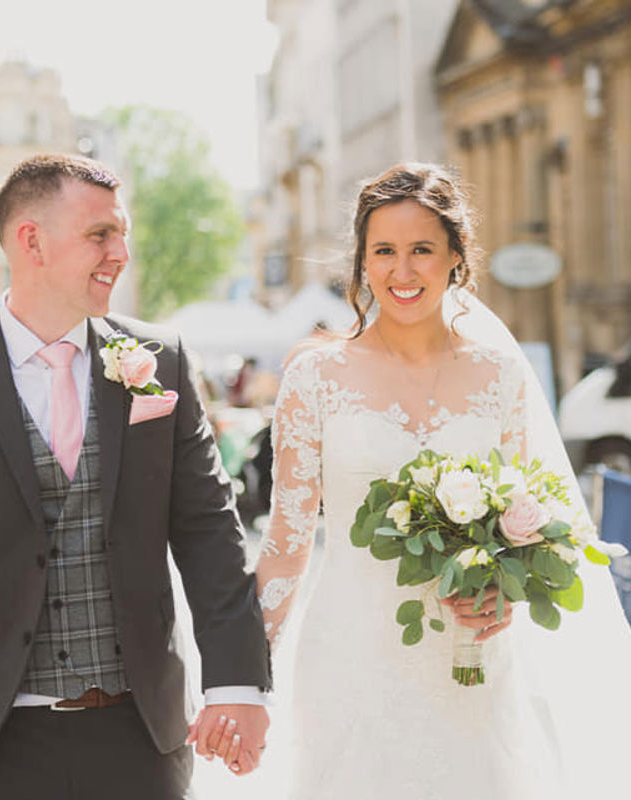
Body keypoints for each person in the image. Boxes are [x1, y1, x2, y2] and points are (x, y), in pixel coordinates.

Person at [0, 154, 271, 800]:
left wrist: (237, 683)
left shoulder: (161, 363)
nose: (120, 252)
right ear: (31, 241)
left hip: (141, 734)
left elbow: (209, 532)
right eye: (100, 234)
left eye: (122, 232)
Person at [246, 163, 631, 798]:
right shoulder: (316, 377)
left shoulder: (499, 374)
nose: (403, 271)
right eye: (385, 251)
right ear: (362, 262)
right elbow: (285, 546)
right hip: (352, 656)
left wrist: (505, 590)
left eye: (422, 249)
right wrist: (242, 679)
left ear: (456, 257)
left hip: (476, 658)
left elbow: (538, 510)